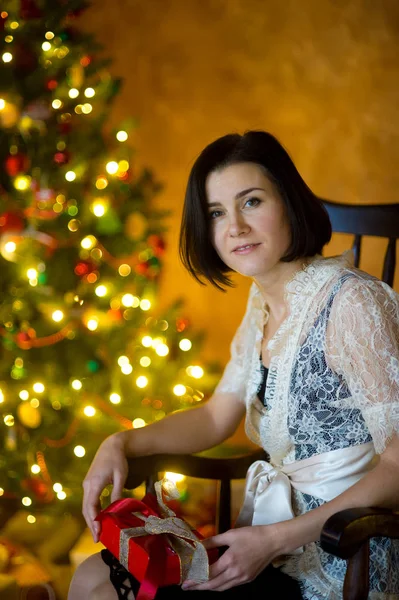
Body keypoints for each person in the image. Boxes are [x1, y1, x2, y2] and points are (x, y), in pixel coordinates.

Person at [68, 131, 399, 600]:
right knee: (88, 577)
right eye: (217, 213)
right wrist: (120, 441)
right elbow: (215, 416)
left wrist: (273, 540)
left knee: (105, 593)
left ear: (288, 201)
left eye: (252, 201)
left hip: (343, 550)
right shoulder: (262, 304)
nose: (235, 227)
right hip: (271, 534)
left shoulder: (353, 302)